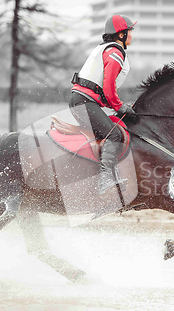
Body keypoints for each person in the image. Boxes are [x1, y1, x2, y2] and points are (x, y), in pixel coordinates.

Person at [69, 14, 137, 195]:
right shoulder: (115, 53)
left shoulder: (107, 49)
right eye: (130, 31)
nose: (132, 35)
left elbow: (103, 90)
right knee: (114, 135)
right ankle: (106, 178)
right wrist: (119, 106)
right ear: (121, 35)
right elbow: (108, 87)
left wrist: (120, 106)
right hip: (84, 102)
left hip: (81, 100)